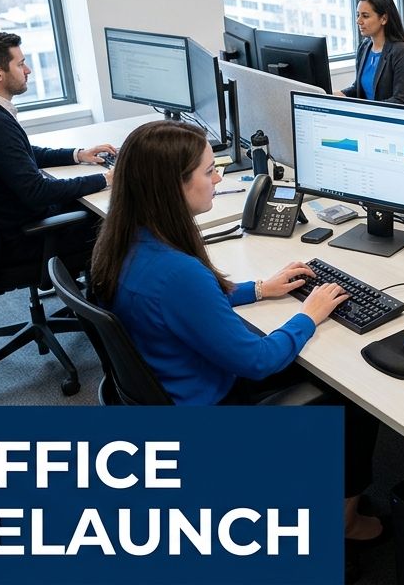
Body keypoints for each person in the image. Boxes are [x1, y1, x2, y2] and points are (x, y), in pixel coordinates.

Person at [88, 120, 386, 554]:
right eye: (209, 171)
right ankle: (344, 523)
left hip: (169, 388)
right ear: (173, 185)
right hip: (208, 409)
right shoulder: (178, 271)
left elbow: (184, 307)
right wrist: (309, 313)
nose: (219, 178)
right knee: (355, 399)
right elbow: (259, 360)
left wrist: (259, 289)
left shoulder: (126, 239)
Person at [0, 30, 114, 264]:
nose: (28, 70)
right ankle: (101, 296)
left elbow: (21, 152)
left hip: (9, 222)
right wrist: (106, 179)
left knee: (88, 201)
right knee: (120, 221)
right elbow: (38, 192)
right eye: (21, 64)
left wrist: (78, 155)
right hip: (24, 237)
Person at [344, 0, 404, 104]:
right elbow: (357, 88)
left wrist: (368, 112)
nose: (358, 21)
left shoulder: (402, 52)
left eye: (365, 16)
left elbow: (400, 100)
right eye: (358, 15)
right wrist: (329, 94)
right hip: (369, 115)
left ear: (383, 19)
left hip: (390, 118)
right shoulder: (364, 47)